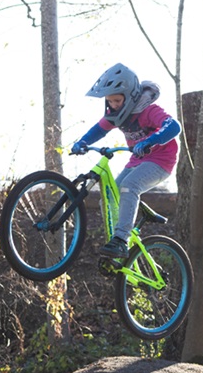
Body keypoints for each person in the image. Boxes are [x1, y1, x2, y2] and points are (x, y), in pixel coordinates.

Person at [71, 63, 181, 259]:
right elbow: (99, 129)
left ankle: (121, 240)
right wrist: (82, 142)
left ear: (129, 96)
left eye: (117, 100)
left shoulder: (149, 110)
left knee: (130, 185)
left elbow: (173, 126)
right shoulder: (116, 116)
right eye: (109, 101)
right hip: (137, 160)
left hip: (161, 160)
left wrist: (151, 140)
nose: (113, 105)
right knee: (113, 193)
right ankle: (120, 238)